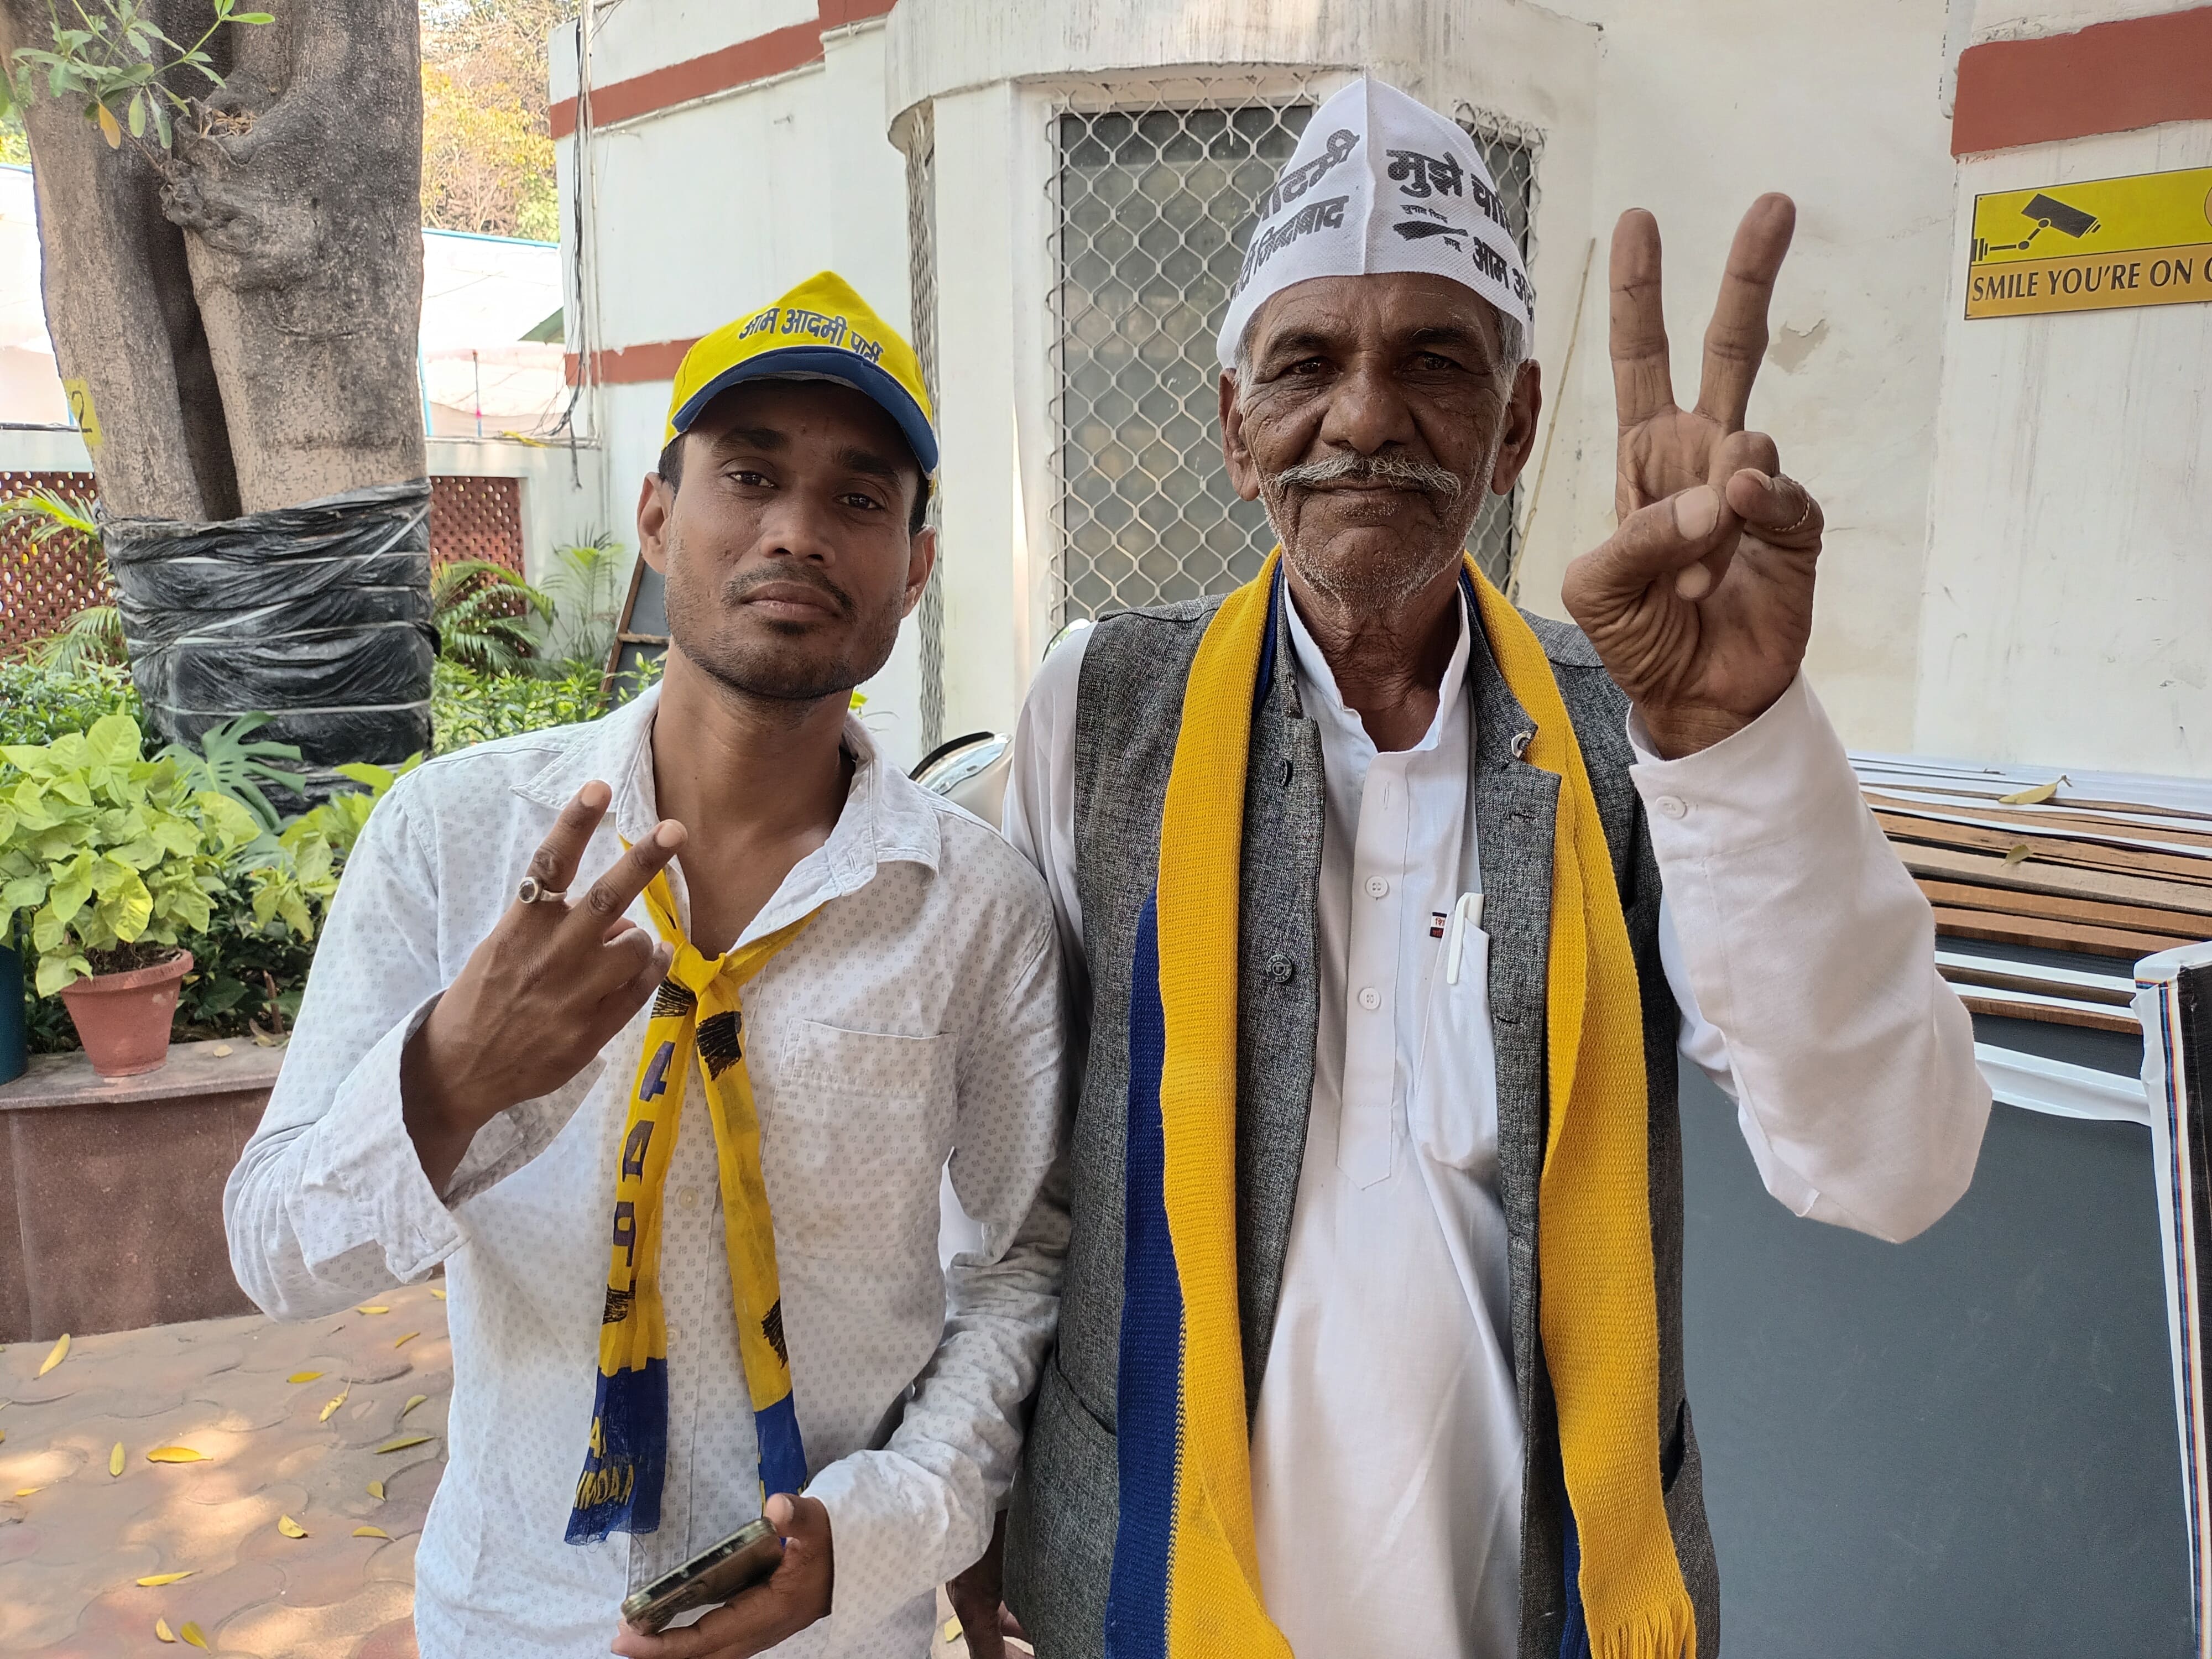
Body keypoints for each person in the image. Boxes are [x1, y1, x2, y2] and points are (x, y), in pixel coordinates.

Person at [968, 78, 1991, 1659]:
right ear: (1235, 429)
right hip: (1158, 1591)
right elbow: (1005, 1183)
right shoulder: (1099, 708)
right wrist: (958, 1516)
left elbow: (1890, 1163)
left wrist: (1740, 743)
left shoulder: (1639, 737)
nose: (1367, 417)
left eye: (1435, 364)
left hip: (1536, 1606)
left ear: (1514, 427)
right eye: (1306, 364)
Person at [224, 272, 1069, 1659]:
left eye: (860, 499)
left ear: (916, 566)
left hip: (835, 1630)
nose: (797, 531)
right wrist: (444, 1083)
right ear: (659, 517)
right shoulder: (452, 839)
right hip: (512, 1615)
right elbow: (274, 1252)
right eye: (748, 476)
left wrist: (889, 1527)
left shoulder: (974, 908)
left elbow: (1020, 1260)